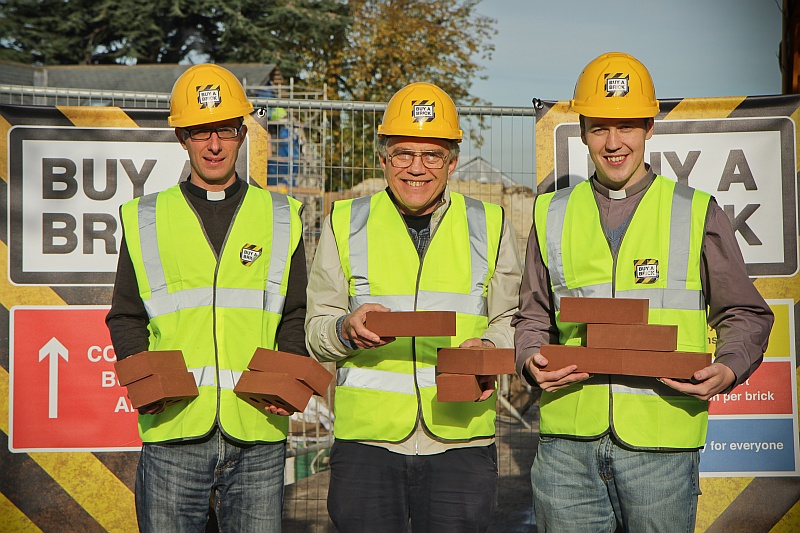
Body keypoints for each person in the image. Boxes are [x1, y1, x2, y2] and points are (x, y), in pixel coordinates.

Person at [513, 52, 774, 532]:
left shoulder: (696, 211)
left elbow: (745, 312)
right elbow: (532, 314)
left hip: (663, 444)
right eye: (600, 128)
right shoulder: (550, 213)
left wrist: (729, 367)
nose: (614, 143)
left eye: (627, 126)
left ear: (649, 127)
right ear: (583, 130)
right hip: (567, 447)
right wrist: (529, 359)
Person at [305, 81, 522, 532]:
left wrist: (488, 344)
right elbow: (316, 331)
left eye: (432, 155)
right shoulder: (344, 223)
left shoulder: (491, 224)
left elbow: (513, 319)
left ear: (452, 161)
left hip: (461, 439)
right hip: (368, 443)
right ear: (384, 159)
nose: (416, 168)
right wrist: (345, 329)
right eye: (403, 153)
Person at [105, 63, 308, 532]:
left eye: (224, 130)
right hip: (174, 429)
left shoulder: (281, 216)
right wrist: (144, 380)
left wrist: (285, 379)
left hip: (257, 431)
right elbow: (126, 317)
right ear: (182, 138)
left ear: (242, 133)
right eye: (200, 132)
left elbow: (295, 314)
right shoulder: (146, 219)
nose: (213, 145)